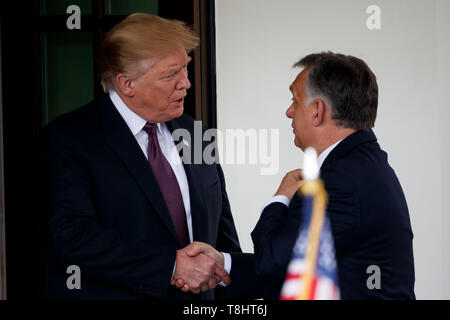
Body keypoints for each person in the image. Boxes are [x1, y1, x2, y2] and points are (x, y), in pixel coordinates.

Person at [40, 13, 260, 300]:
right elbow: (73, 237)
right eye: (170, 75)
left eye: (185, 68)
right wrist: (172, 265)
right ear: (126, 84)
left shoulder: (196, 134)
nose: (186, 83)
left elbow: (223, 241)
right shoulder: (69, 139)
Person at [251, 52, 415, 299]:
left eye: (295, 101)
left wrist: (281, 198)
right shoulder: (363, 166)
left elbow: (273, 263)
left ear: (317, 111)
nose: (288, 112)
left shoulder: (339, 184)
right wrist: (224, 264)